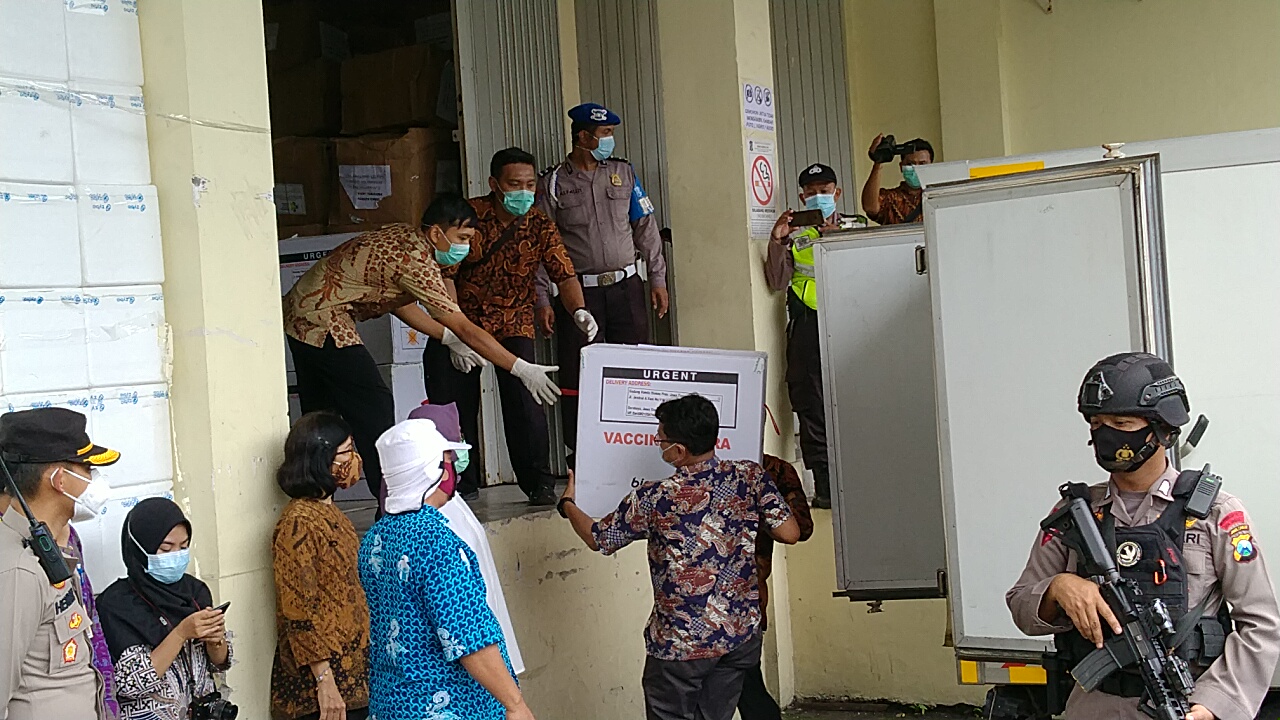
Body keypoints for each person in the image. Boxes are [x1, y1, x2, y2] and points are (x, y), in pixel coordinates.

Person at [1006, 352, 1280, 720]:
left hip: (1187, 705)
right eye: (1096, 422)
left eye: (1121, 421)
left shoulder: (1216, 513)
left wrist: (1216, 706)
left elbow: (1260, 623)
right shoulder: (1078, 512)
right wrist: (1059, 587)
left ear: (1162, 429)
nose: (1106, 434)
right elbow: (1022, 604)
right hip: (1093, 706)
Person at [283, 193, 561, 503]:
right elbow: (464, 325)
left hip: (300, 316)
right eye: (462, 237)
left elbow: (399, 304)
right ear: (436, 233)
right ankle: (392, 503)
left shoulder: (403, 236)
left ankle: (313, 498)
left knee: (320, 416)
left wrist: (447, 337)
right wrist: (520, 367)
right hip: (325, 322)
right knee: (373, 406)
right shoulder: (417, 261)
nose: (466, 248)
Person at [557, 394, 802, 720]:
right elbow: (790, 533)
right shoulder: (750, 477)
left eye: (661, 439)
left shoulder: (654, 497)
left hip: (680, 648)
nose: (659, 443)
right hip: (738, 636)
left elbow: (598, 538)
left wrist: (568, 505)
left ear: (680, 451)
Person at [426, 149, 596, 505]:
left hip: (514, 321)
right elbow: (445, 275)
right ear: (494, 184)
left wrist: (579, 310)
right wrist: (454, 332)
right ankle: (459, 482)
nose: (523, 191)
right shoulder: (469, 216)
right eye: (514, 184)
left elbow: (563, 273)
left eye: (530, 184)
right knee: (454, 404)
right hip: (462, 321)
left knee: (527, 403)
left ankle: (537, 481)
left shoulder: (539, 224)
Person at [360, 419, 535, 720]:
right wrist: (515, 704)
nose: (452, 469)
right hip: (450, 708)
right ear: (434, 472)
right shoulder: (435, 542)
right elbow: (469, 638)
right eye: (448, 461)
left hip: (392, 705)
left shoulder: (376, 537)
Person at [535, 102, 668, 462]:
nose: (609, 140)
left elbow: (646, 229)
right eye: (604, 134)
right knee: (580, 372)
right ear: (583, 137)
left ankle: (639, 449)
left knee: (636, 369)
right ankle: (582, 456)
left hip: (626, 287)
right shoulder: (555, 182)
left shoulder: (624, 173)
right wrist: (543, 299)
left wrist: (657, 277)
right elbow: (542, 243)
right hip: (579, 294)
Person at [0, 407, 118, 720]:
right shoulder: (18, 570)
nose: (95, 479)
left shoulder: (51, 549)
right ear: (60, 479)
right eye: (87, 468)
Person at [764, 163, 857, 508]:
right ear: (802, 196)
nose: (820, 195)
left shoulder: (855, 227)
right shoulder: (794, 235)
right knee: (810, 401)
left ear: (838, 192)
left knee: (854, 398)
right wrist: (777, 240)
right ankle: (826, 484)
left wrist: (832, 235)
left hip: (850, 320)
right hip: (808, 322)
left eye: (826, 188)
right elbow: (776, 280)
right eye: (812, 190)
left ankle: (862, 473)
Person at [408, 402, 525, 675]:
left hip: (482, 642)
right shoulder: (427, 517)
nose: (458, 451)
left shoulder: (451, 498)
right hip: (468, 655)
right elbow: (458, 613)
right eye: (450, 450)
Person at [271, 411, 371, 720]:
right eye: (346, 451)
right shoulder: (298, 522)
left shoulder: (333, 515)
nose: (354, 459)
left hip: (353, 681)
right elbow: (299, 608)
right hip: (320, 693)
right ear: (321, 459)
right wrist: (324, 680)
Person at [97, 498, 233, 720]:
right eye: (166, 549)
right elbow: (130, 684)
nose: (176, 556)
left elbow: (219, 663)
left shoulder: (195, 591)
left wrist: (216, 639)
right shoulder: (116, 604)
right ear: (141, 549)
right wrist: (180, 634)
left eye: (184, 547)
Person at [737, 454, 814, 720]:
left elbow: (801, 528)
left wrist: (759, 505)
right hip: (692, 608)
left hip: (745, 604)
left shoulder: (772, 470)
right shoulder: (688, 463)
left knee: (747, 690)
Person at [860, 134, 933, 225]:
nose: (916, 168)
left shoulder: (938, 196)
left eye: (922, 164)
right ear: (901, 167)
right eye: (910, 164)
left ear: (932, 167)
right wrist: (878, 162)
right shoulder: (892, 199)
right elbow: (870, 207)